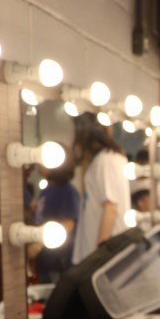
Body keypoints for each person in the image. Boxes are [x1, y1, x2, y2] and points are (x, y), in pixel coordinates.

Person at [71, 113, 130, 264]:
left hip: (101, 256)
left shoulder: (106, 160)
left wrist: (99, 255)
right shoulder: (107, 159)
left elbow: (110, 208)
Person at [32, 163, 80, 283]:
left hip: (59, 259)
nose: (38, 165)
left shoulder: (67, 190)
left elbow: (68, 224)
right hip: (44, 259)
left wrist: (38, 244)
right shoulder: (46, 190)